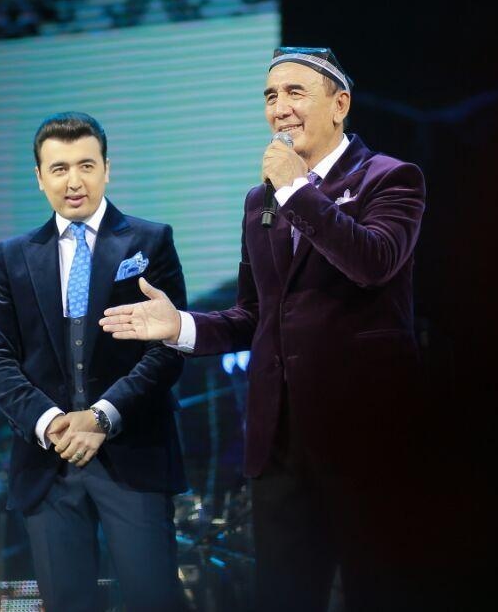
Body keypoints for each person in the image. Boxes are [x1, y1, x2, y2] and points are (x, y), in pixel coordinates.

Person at [101, 48, 429, 610]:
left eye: (295, 92)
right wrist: (180, 326)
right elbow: (254, 314)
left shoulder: (391, 177)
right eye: (271, 96)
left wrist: (299, 191)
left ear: (340, 105)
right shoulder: (260, 202)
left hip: (367, 438)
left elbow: (373, 262)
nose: (280, 108)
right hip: (280, 445)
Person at [0, 111, 187, 612]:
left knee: (152, 601)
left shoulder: (149, 241)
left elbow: (168, 349)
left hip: (132, 454)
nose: (74, 181)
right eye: (59, 168)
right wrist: (50, 422)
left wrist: (101, 416)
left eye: (86, 165)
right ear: (39, 177)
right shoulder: (14, 256)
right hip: (48, 463)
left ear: (107, 169)